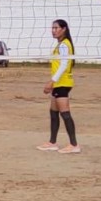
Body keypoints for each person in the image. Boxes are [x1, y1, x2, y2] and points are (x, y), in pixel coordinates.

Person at [36, 18, 79, 155]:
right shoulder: (61, 44)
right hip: (59, 83)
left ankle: (74, 144)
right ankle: (52, 142)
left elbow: (64, 64)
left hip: (62, 83)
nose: (53, 30)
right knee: (53, 112)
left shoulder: (64, 45)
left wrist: (51, 81)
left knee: (65, 114)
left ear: (64, 29)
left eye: (56, 28)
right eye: (52, 28)